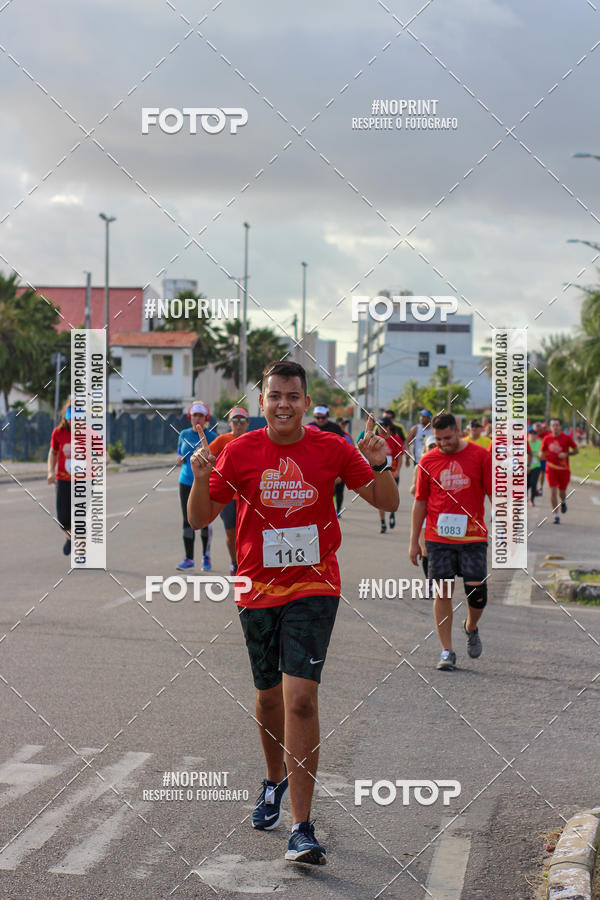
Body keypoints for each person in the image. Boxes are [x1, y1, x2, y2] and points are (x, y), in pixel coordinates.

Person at [187, 360, 398, 866]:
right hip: (255, 589)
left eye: (293, 395)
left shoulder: (332, 448)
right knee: (267, 700)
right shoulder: (238, 452)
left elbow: (386, 502)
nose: (284, 403)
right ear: (262, 402)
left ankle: (302, 828)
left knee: (299, 698)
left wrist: (383, 463)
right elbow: (199, 518)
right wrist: (198, 479)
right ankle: (273, 779)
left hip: (314, 585)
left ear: (306, 402)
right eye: (274, 395)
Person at [408, 412, 492, 671]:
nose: (443, 443)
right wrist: (414, 541)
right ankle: (447, 651)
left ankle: (471, 626)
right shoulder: (428, 461)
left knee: (477, 593)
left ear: (458, 430)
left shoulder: (480, 456)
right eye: (438, 439)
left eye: (447, 437)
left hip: (473, 536)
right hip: (438, 538)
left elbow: (494, 495)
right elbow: (419, 502)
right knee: (442, 591)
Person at [208, 406, 250, 575]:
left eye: (242, 420)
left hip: (248, 496)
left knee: (248, 534)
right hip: (228, 497)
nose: (238, 424)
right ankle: (235, 563)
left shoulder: (252, 440)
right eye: (235, 420)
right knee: (231, 533)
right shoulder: (222, 440)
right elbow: (205, 457)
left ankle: (247, 564)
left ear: (247, 423)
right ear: (229, 422)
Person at [175, 401, 217, 571]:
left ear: (206, 418)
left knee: (204, 520)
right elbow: (179, 452)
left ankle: (206, 557)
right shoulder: (183, 434)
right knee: (187, 520)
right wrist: (178, 458)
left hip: (205, 483)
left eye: (201, 415)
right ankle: (189, 558)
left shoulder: (212, 437)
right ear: (190, 417)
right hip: (185, 481)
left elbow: (217, 459)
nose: (197, 418)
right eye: (194, 415)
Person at [47, 399, 75, 556]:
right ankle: (70, 538)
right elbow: (53, 452)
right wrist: (50, 472)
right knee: (64, 519)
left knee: (80, 516)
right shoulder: (58, 432)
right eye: (71, 415)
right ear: (66, 416)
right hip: (63, 480)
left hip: (83, 482)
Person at [539, 418, 578, 525]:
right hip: (551, 468)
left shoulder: (566, 438)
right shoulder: (547, 439)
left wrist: (567, 454)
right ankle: (556, 515)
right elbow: (542, 452)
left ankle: (563, 502)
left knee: (561, 492)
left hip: (564, 470)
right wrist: (541, 455)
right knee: (553, 491)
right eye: (553, 425)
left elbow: (576, 450)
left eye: (556, 425)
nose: (555, 427)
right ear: (550, 427)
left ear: (560, 426)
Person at [309, 406, 346, 517]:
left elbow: (342, 449)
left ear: (328, 416)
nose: (320, 420)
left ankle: (338, 509)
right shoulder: (309, 427)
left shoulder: (335, 428)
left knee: (339, 490)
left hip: (334, 464)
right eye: (317, 417)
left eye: (323, 417)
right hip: (315, 466)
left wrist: (340, 472)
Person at [409, 434, 437, 577]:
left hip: (439, 513)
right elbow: (413, 490)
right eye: (431, 446)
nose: (434, 448)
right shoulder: (420, 467)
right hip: (424, 513)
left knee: (438, 550)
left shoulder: (445, 464)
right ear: (425, 448)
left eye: (435, 445)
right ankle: (430, 583)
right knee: (425, 549)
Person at [527, 427, 543, 506]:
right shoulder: (525, 442)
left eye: (534, 434)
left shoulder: (540, 443)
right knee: (526, 483)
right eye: (531, 434)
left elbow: (541, 454)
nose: (532, 435)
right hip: (526, 466)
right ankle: (525, 496)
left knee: (533, 483)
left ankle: (532, 500)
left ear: (536, 436)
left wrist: (539, 454)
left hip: (536, 466)